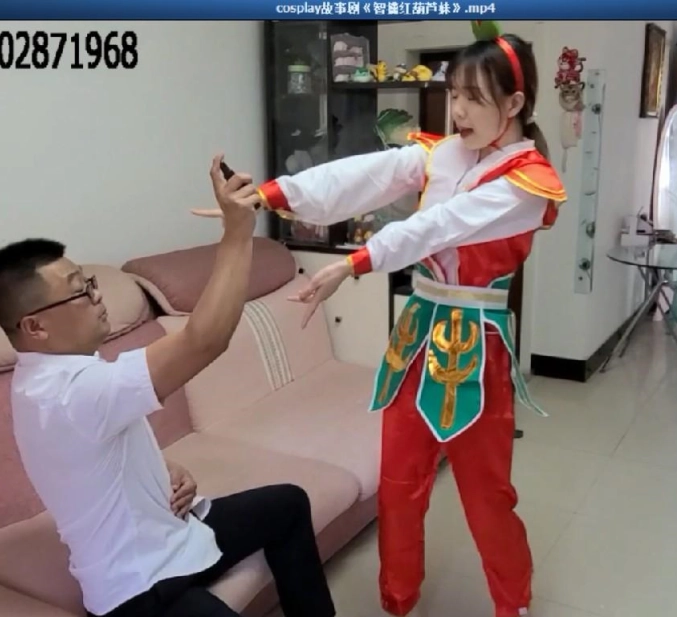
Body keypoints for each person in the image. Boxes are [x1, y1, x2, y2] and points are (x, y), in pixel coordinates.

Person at [195, 23, 567, 617]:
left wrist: (356, 263)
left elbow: (440, 226)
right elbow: (361, 175)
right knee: (398, 485)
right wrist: (268, 195)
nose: (458, 111)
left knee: (487, 496)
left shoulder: (529, 182)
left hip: (476, 348)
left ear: (515, 103)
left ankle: (512, 603)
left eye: (474, 97)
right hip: (416, 336)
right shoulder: (444, 153)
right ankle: (397, 599)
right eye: (454, 93)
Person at [0, 155, 336, 617]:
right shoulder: (65, 392)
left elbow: (89, 454)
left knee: (287, 504)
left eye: (89, 282)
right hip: (138, 587)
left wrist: (161, 468)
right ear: (36, 327)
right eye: (80, 290)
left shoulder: (55, 374)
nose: (97, 296)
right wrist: (237, 233)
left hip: (178, 533)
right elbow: (204, 340)